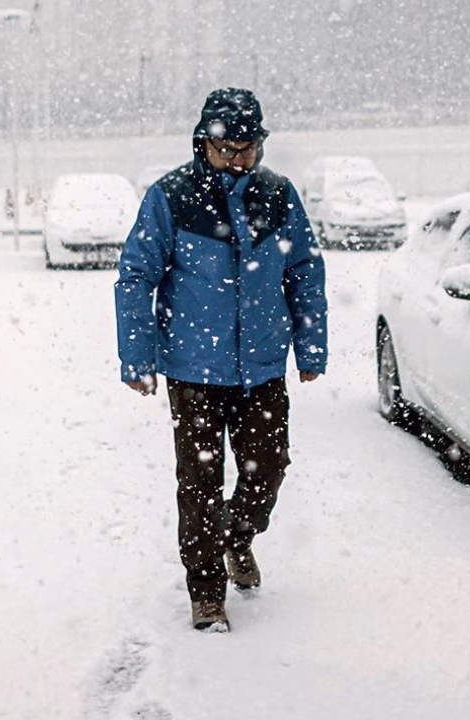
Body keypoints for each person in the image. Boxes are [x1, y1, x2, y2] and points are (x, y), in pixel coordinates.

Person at [114, 88, 328, 633]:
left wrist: (310, 346)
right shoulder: (171, 196)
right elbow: (137, 276)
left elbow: (304, 270)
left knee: (268, 473)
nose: (239, 159)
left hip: (260, 370)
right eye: (228, 148)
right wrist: (138, 357)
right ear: (202, 143)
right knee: (200, 483)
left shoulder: (278, 196)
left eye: (249, 148)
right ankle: (206, 591)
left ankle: (238, 537)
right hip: (193, 371)